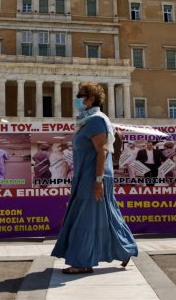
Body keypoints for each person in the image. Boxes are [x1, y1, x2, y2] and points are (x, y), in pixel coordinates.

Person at [51, 81, 138, 274]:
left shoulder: (97, 120)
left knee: (86, 219)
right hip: (88, 175)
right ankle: (126, 249)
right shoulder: (88, 121)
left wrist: (98, 181)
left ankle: (83, 262)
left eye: (80, 95)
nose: (77, 99)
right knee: (107, 215)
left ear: (90, 99)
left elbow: (103, 151)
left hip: (94, 176)